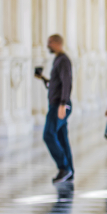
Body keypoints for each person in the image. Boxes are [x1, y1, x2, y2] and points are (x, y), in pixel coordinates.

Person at [34, 34, 74, 183]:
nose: (48, 45)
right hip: (57, 103)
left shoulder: (63, 60)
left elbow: (67, 82)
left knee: (48, 134)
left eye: (50, 42)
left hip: (59, 105)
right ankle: (69, 171)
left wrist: (63, 104)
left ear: (58, 43)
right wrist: (43, 78)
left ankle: (64, 168)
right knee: (62, 138)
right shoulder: (58, 59)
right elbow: (56, 84)